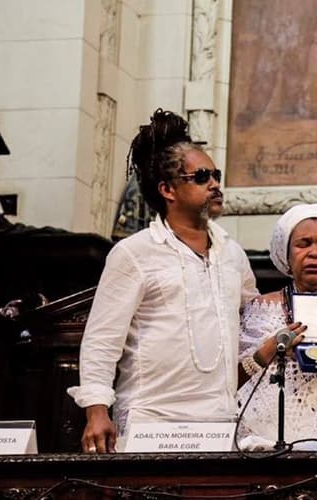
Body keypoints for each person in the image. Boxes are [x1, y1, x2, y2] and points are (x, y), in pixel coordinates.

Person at [67, 109, 257, 453]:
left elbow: (257, 314)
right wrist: (96, 412)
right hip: (150, 422)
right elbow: (101, 341)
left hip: (220, 424)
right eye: (201, 177)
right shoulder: (134, 254)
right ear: (168, 189)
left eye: (215, 174)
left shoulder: (233, 253)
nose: (214, 184)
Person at [237, 204, 317, 451]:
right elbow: (233, 381)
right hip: (275, 447)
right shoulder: (261, 308)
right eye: (303, 243)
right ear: (287, 256)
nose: (314, 253)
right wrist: (270, 349)